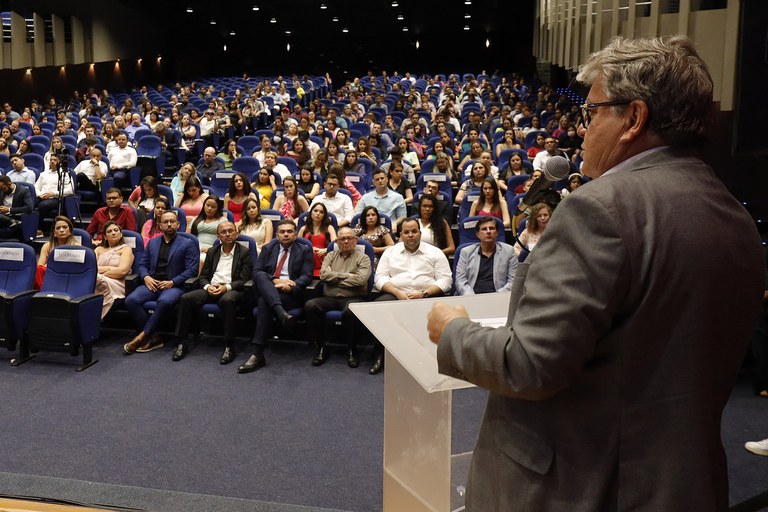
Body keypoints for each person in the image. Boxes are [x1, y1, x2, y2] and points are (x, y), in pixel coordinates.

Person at [426, 36, 764, 511]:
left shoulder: (600, 209)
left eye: (592, 112)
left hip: (582, 485)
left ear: (634, 118)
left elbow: (530, 365)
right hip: (682, 483)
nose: (582, 131)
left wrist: (452, 331)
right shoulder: (733, 216)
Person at [371, 217, 453, 374]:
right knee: (378, 310)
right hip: (397, 294)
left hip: (427, 295)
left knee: (441, 313)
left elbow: (446, 280)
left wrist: (425, 293)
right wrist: (397, 292)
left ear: (420, 233)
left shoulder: (435, 252)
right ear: (400, 235)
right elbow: (380, 278)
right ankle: (380, 355)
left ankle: (432, 360)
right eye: (406, 232)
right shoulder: (390, 252)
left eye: (414, 231)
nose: (410, 235)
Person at [238, 220, 313, 374]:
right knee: (259, 275)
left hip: (289, 294)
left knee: (264, 302)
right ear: (277, 235)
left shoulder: (304, 249)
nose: (286, 234)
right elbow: (257, 271)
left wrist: (291, 285)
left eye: (290, 231)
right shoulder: (268, 248)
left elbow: (307, 275)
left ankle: (257, 354)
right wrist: (275, 281)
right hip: (270, 288)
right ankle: (281, 314)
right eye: (282, 231)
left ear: (295, 233)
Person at [173, 221, 253, 363]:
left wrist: (226, 287)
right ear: (218, 236)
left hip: (232, 289)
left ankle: (229, 346)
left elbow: (244, 280)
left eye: (230, 231)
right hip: (212, 287)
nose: (227, 234)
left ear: (236, 233)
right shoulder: (212, 251)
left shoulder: (244, 252)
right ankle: (182, 342)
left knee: (227, 300)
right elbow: (203, 277)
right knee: (186, 298)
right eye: (224, 232)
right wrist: (207, 286)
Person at [124, 210, 199, 354]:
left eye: (172, 221)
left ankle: (142, 336)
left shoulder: (187, 243)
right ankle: (154, 336)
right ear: (160, 225)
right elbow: (142, 265)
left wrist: (173, 282)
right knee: (131, 300)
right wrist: (146, 277)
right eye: (166, 222)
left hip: (174, 286)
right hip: (152, 283)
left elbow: (192, 270)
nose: (169, 224)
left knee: (164, 301)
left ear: (178, 224)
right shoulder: (152, 243)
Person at [304, 226, 371, 368]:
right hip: (330, 298)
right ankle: (321, 347)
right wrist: (348, 276)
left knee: (350, 311)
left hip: (354, 297)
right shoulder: (330, 255)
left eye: (350, 238)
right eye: (342, 239)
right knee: (310, 305)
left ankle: (352, 349)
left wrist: (334, 276)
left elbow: (360, 280)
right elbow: (323, 275)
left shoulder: (363, 258)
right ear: (337, 241)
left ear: (356, 240)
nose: (346, 241)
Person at [454, 216, 517, 295]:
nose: (488, 231)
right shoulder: (466, 252)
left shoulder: (509, 251)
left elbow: (513, 281)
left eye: (491, 228)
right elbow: (460, 281)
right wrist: (472, 297)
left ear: (497, 233)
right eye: (484, 229)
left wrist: (497, 296)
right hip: (471, 296)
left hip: (499, 297)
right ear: (478, 234)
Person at [94, 221, 134, 319]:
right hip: (98, 280)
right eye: (109, 231)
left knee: (97, 278)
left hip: (118, 283)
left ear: (120, 235)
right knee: (94, 278)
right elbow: (91, 269)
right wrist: (110, 269)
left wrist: (100, 271)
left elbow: (122, 272)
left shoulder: (126, 249)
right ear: (105, 236)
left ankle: (96, 317)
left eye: (116, 230)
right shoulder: (98, 249)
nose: (113, 233)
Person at [34, 154, 75, 234]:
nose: (52, 161)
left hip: (57, 198)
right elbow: (36, 187)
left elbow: (70, 190)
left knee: (43, 205)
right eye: (51, 160)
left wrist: (53, 193)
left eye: (55, 160)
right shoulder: (44, 174)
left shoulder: (65, 174)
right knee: (30, 203)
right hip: (42, 196)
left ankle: (38, 228)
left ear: (60, 162)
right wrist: (40, 194)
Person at [35, 215, 79, 289]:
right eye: (58, 228)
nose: (61, 230)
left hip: (69, 277)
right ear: (54, 233)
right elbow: (40, 266)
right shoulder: (47, 246)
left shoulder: (77, 247)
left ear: (70, 231)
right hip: (51, 276)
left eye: (65, 227)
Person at [298, 202, 337, 278]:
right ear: (311, 212)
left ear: (324, 215)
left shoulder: (329, 228)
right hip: (308, 260)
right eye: (315, 211)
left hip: (324, 260)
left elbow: (335, 245)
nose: (318, 213)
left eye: (321, 212)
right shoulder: (304, 229)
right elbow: (298, 246)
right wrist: (309, 248)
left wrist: (325, 250)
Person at [189, 194, 227, 261]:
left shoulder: (222, 220)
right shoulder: (196, 219)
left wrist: (211, 249)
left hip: (212, 250)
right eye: (207, 205)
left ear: (217, 209)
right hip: (195, 248)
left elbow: (226, 239)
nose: (209, 208)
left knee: (201, 259)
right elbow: (188, 236)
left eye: (213, 207)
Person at [0, 175, 32, 240]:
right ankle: (12, 221)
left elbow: (29, 207)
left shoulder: (24, 191)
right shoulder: (1, 190)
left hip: (16, 217)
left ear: (9, 184)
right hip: (2, 218)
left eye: (4, 189)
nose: (2, 191)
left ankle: (13, 221)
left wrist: (9, 209)